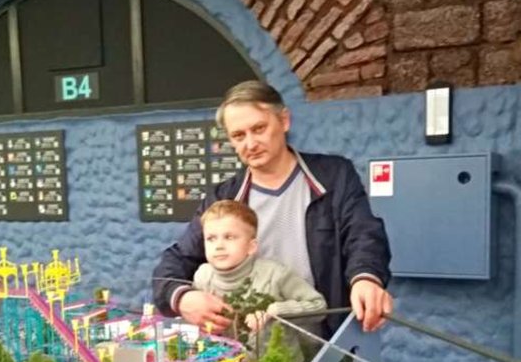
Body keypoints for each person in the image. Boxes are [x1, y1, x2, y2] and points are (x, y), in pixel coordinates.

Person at [153, 80, 393, 333]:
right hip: (249, 342)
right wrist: (182, 298)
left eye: (259, 128)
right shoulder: (224, 197)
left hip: (324, 336)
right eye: (238, 135)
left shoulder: (334, 176)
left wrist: (366, 277)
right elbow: (177, 259)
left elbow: (363, 234)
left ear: (284, 121)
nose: (250, 144)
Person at [192, 200, 326, 333]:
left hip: (276, 347)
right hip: (218, 347)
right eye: (211, 239)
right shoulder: (202, 276)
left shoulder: (275, 275)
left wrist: (277, 311)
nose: (219, 246)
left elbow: (318, 306)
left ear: (251, 246)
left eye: (229, 237)